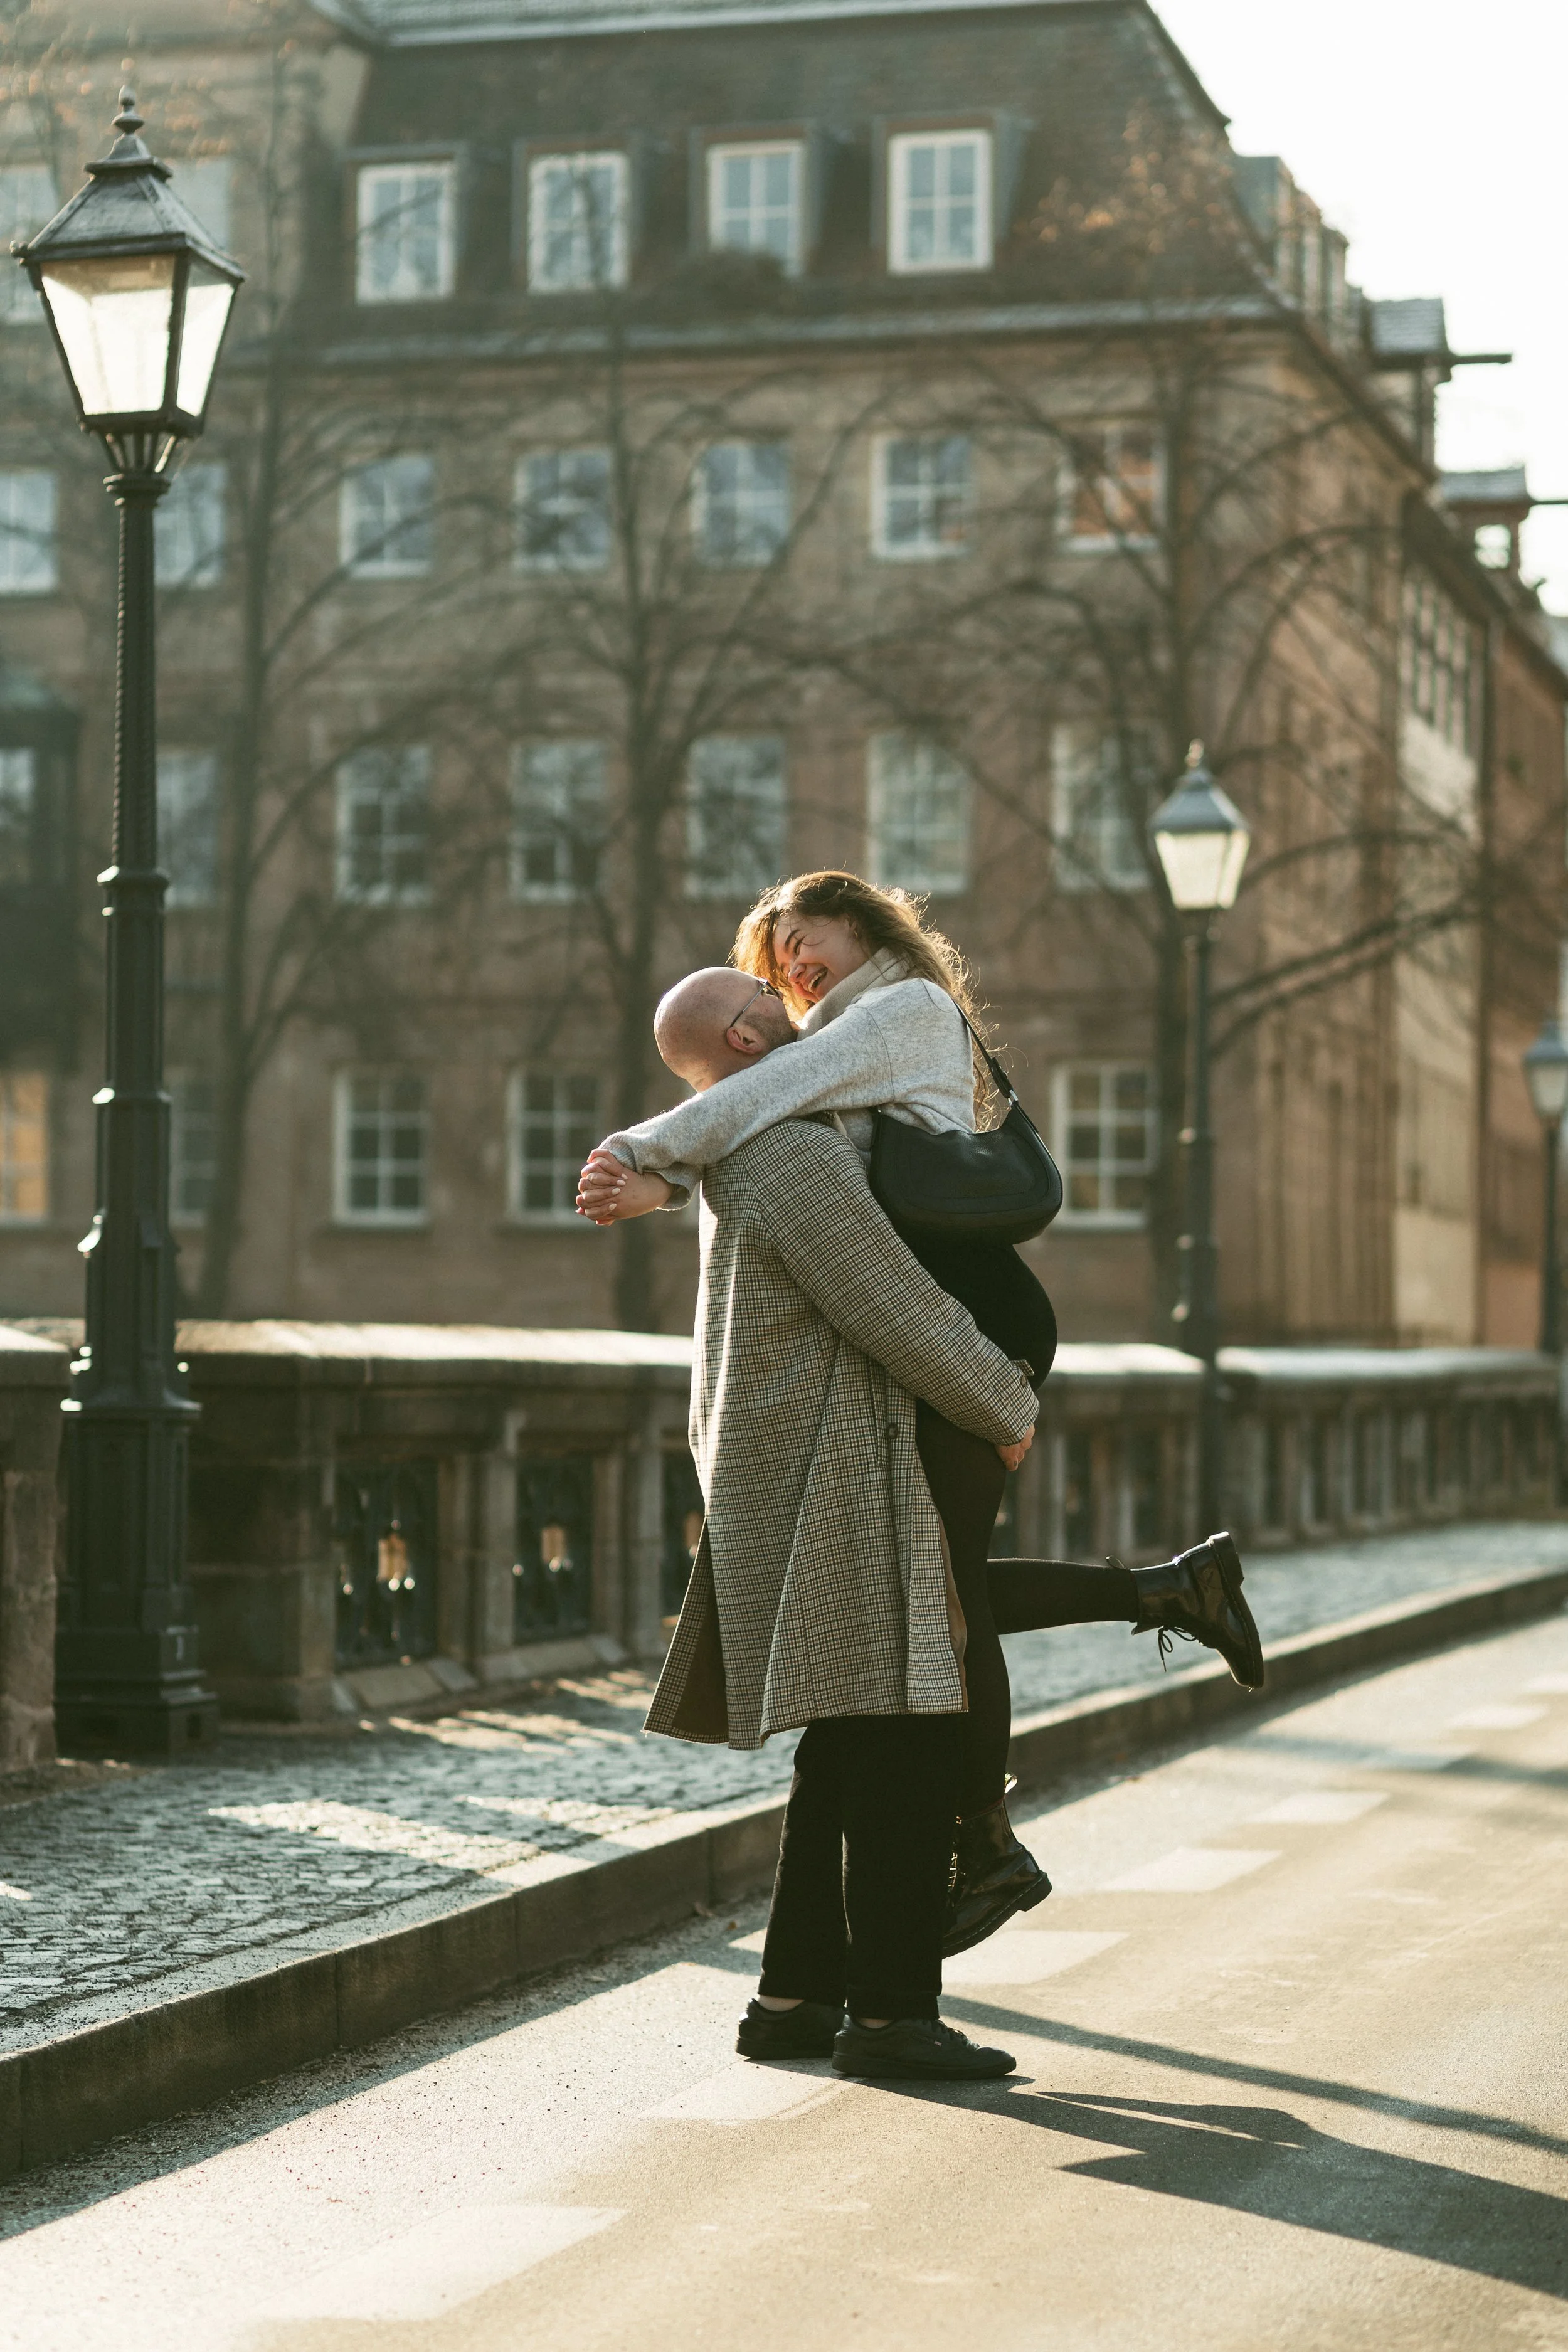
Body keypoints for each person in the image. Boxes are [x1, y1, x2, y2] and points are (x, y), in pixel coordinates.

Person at [578, 877, 1264, 1951]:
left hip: (974, 1308)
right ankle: (1168, 1594)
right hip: (953, 1299)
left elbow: (760, 1106)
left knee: (944, 1610)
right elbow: (764, 1120)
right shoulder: (835, 1045)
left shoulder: (900, 1009)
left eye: (804, 943)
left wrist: (638, 1153)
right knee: (939, 1592)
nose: (793, 969)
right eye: (778, 957)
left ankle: (987, 1838)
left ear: (866, 926)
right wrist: (670, 1182)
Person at [622, 1095, 1041, 2081]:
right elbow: (898, 1309)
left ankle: (794, 1998)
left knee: (849, 1739)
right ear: (737, 1048)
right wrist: (1006, 1405)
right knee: (908, 1733)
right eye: (763, 1005)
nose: (793, 1012)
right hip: (842, 1474)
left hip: (809, 1471)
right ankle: (893, 2015)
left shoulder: (748, 1153)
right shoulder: (792, 1153)